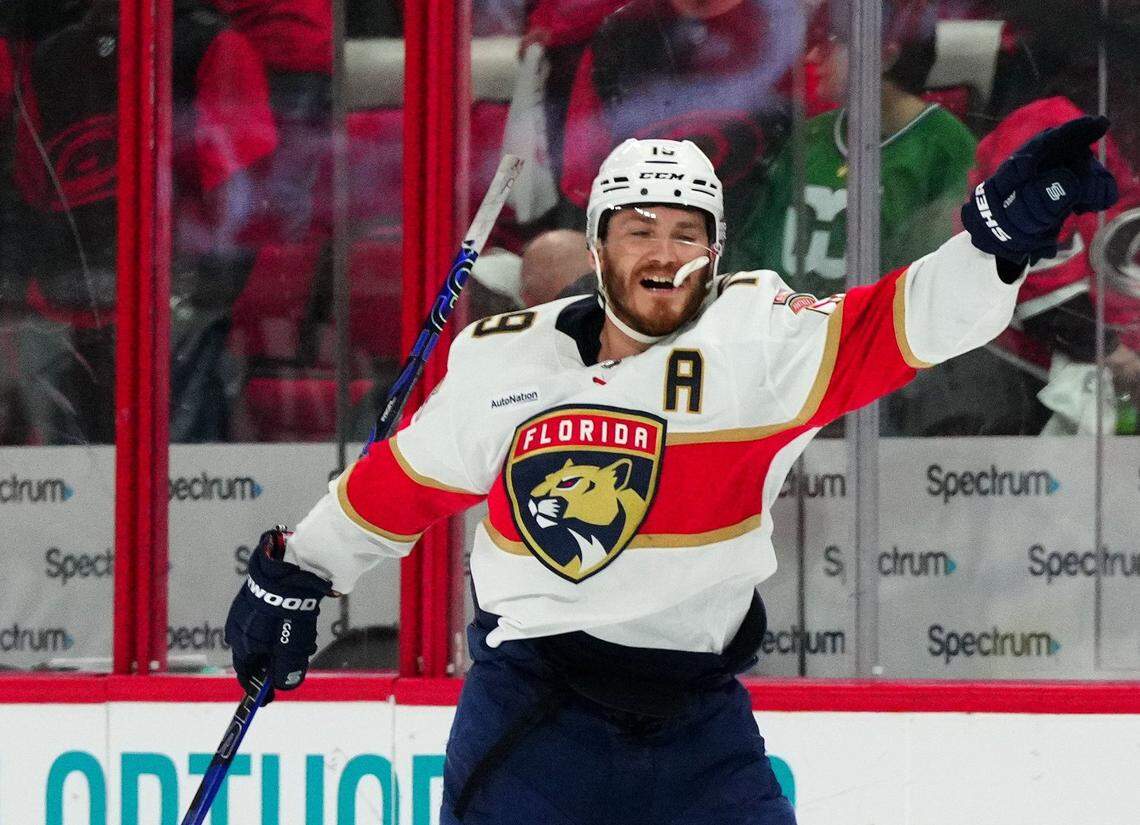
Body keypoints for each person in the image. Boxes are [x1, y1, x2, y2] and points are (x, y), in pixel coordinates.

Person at [225, 121, 1117, 823]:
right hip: (533, 722)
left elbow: (910, 319)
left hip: (695, 723)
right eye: (639, 230)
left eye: (687, 233)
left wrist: (996, 240)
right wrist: (297, 573)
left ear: (717, 248)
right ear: (598, 243)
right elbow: (403, 483)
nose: (663, 253)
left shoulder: (763, 341)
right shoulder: (501, 361)